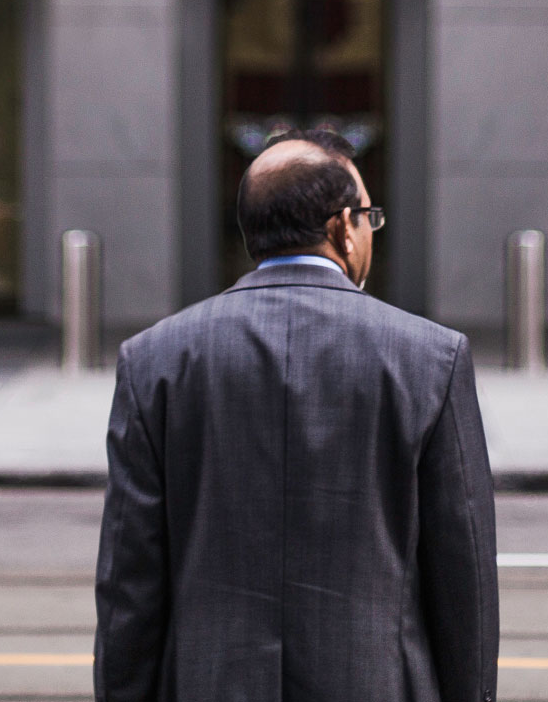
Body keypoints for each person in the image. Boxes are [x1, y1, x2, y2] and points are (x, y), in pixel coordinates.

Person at [94, 128, 498, 702]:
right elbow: (465, 581)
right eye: (369, 217)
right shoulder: (430, 357)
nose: (370, 232)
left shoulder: (155, 359)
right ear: (341, 227)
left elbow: (129, 585)